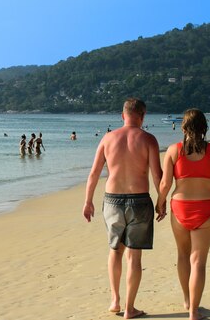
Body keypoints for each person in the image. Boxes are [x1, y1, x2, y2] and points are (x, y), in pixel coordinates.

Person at [83, 98, 162, 319]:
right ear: (143, 116)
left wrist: (88, 201)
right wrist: (162, 201)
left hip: (112, 201)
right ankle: (130, 308)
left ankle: (115, 300)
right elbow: (158, 176)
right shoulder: (148, 139)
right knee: (134, 258)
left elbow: (94, 173)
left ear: (122, 115)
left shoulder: (108, 138)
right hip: (139, 201)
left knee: (115, 251)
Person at [155, 109, 210, 320]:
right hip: (207, 209)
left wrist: (159, 203)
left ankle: (187, 300)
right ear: (205, 128)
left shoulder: (173, 151)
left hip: (180, 208)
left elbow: (165, 184)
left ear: (183, 128)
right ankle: (193, 312)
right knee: (198, 261)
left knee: (182, 254)